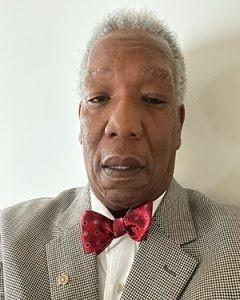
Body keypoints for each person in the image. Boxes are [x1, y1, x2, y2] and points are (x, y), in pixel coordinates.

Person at [0, 8, 240, 300]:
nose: (123, 126)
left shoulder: (234, 249)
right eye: (99, 98)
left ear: (178, 125)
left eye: (152, 99)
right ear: (80, 121)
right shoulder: (8, 242)